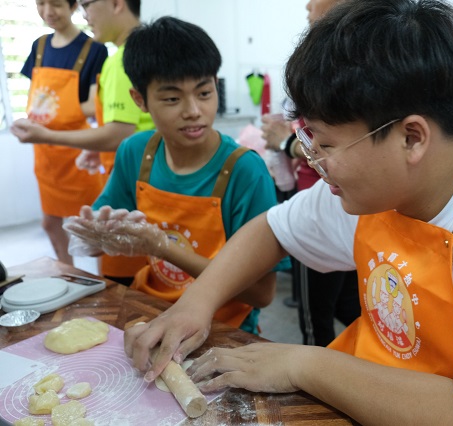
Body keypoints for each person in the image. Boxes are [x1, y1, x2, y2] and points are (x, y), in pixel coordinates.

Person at [123, 1, 453, 424]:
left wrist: (304, 365)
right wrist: (194, 306)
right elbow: (273, 230)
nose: (313, 161)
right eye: (307, 140)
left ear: (411, 137)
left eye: (324, 144)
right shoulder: (373, 189)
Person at [63, 16, 290, 334]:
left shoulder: (244, 171)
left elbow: (261, 293)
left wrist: (163, 247)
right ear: (140, 100)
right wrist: (94, 235)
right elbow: (102, 231)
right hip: (151, 311)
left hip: (222, 327)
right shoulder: (136, 152)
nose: (193, 111)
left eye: (204, 93)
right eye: (172, 98)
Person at [11, 0, 155, 284]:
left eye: (87, 4)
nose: (85, 15)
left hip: (129, 173)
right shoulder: (137, 53)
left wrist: (47, 134)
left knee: (125, 268)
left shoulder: (116, 59)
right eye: (40, 3)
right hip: (110, 161)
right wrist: (95, 147)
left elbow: (119, 132)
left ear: (116, 4)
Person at [259, 0, 360, 346]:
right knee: (347, 303)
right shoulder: (327, 62)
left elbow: (334, 150)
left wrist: (286, 143)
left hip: (324, 203)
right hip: (322, 201)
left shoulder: (341, 68)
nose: (307, 5)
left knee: (317, 315)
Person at [18, 0, 108, 265]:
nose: (48, 12)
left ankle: (103, 279)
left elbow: (94, 105)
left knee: (92, 225)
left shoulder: (94, 50)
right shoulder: (39, 46)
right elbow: (37, 95)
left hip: (78, 150)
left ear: (73, 6)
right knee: (50, 222)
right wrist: (32, 118)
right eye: (41, 4)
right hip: (45, 153)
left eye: (56, 4)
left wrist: (56, 113)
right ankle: (68, 274)